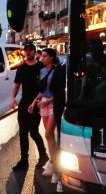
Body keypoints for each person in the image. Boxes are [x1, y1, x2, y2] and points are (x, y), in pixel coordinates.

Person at [29, 48, 66, 182]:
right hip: (43, 104)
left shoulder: (58, 70)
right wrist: (34, 102)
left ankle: (56, 167)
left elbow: (61, 91)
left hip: (53, 104)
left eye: (44, 56)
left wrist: (48, 100)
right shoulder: (42, 71)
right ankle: (53, 162)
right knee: (50, 136)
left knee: (49, 132)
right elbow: (42, 90)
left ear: (51, 57)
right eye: (42, 56)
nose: (41, 58)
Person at [10, 42, 48, 171]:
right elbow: (16, 85)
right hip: (24, 103)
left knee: (33, 131)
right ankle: (24, 160)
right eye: (26, 50)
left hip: (37, 104)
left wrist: (39, 101)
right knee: (22, 132)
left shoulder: (41, 67)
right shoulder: (21, 68)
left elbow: (45, 87)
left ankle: (43, 155)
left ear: (34, 51)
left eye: (30, 50)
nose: (28, 52)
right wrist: (12, 99)